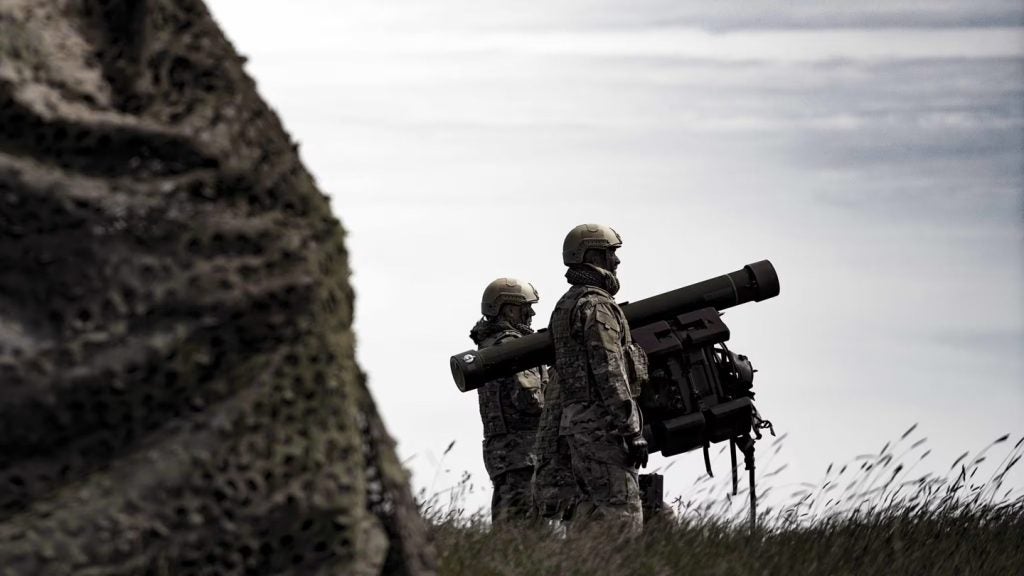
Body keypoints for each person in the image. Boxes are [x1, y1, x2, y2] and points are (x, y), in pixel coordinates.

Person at [547, 224, 648, 536]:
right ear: (592, 256)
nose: (616, 261)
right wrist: (632, 429)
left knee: (589, 515)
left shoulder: (565, 306)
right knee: (622, 516)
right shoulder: (598, 305)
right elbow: (610, 370)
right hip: (603, 428)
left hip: (576, 427)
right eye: (610, 253)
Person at [469, 277, 546, 524]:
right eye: (526, 307)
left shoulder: (489, 347)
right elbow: (530, 399)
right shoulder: (512, 346)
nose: (531, 313)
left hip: (505, 454)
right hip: (524, 454)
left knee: (509, 528)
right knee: (528, 531)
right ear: (509, 309)